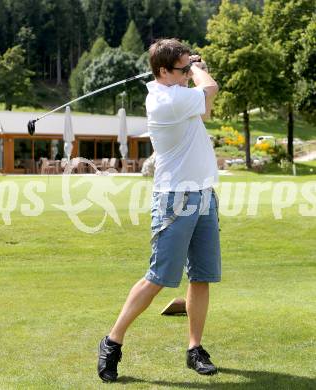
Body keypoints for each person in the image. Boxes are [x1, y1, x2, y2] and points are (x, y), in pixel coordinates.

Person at [97, 38, 221, 382]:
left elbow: (206, 106)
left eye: (187, 68)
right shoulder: (165, 98)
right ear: (163, 71)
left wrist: (192, 70)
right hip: (174, 200)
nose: (187, 74)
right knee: (159, 278)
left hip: (204, 195)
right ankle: (111, 340)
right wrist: (198, 69)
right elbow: (210, 88)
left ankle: (195, 348)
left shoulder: (179, 93)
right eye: (180, 69)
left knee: (201, 276)